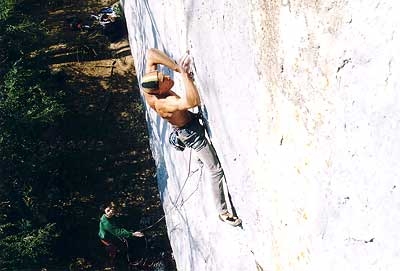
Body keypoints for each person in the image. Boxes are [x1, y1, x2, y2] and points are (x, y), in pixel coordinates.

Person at [140, 48, 241, 227]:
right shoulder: (164, 104)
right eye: (164, 80)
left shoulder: (149, 83)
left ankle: (178, 140)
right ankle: (222, 212)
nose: (168, 78)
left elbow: (151, 54)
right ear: (158, 91)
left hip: (185, 122)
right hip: (191, 134)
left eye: (164, 75)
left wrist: (177, 68)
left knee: (185, 130)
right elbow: (193, 102)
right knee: (215, 169)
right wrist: (185, 76)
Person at [99, 202, 144, 268]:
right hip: (107, 239)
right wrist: (132, 234)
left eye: (111, 209)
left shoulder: (108, 216)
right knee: (122, 249)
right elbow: (117, 232)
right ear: (104, 211)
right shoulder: (106, 223)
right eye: (108, 210)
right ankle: (129, 263)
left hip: (110, 235)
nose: (111, 211)